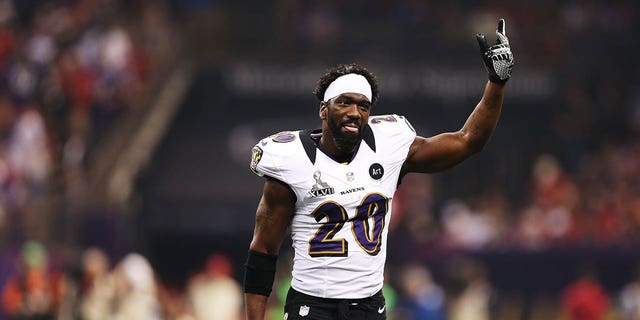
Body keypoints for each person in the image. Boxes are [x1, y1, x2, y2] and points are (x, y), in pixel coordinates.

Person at [244, 19, 514, 320]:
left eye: (363, 105)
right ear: (324, 109)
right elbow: (263, 253)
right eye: (344, 102)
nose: (354, 112)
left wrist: (496, 83)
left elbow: (467, 142)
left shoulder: (389, 146)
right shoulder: (291, 158)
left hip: (369, 306)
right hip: (312, 305)